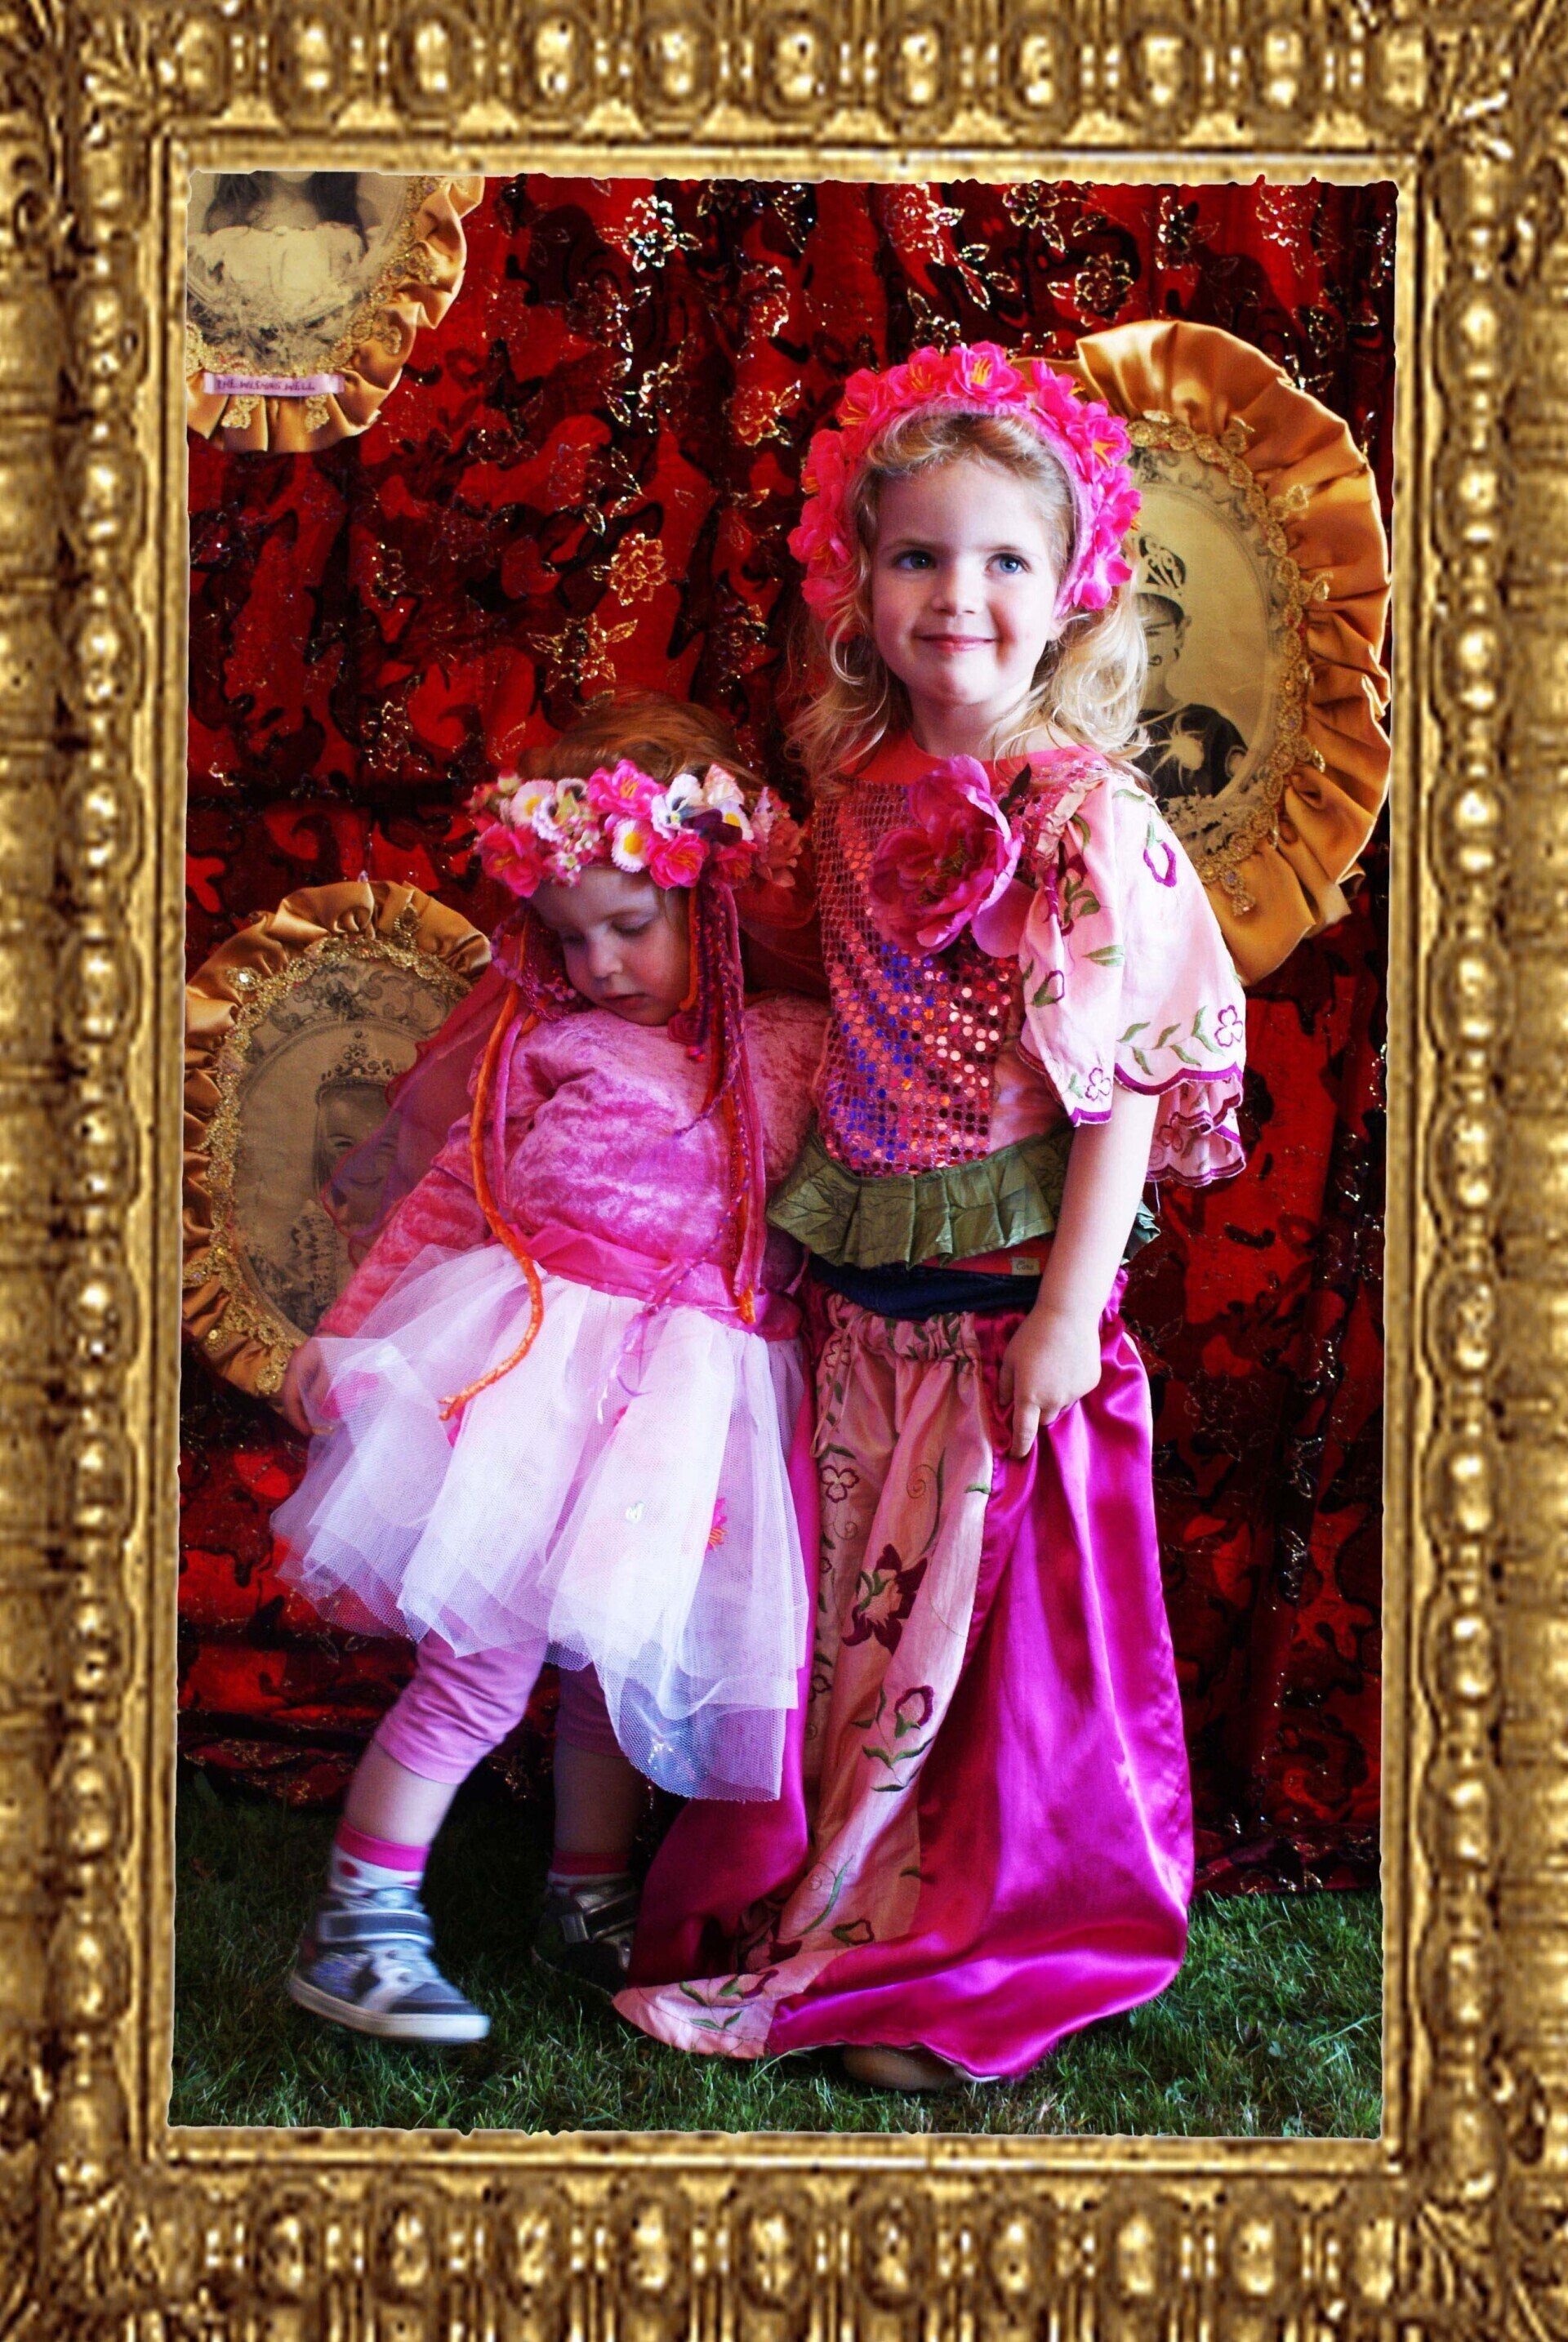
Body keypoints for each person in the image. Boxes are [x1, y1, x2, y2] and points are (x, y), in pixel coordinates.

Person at [616, 343, 1249, 2090]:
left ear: (1072, 591)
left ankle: (956, 1941)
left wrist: (1066, 1316)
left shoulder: (1081, 814)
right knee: (855, 1608)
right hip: (859, 1276)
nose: (956, 595)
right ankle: (837, 1888)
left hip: (1002, 1292)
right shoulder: (849, 788)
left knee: (976, 1636)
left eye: (1001, 560)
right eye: (917, 556)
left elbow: (1120, 1086)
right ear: (858, 582)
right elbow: (824, 980)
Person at [270, 699, 825, 2045]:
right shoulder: (556, 1041)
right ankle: (358, 1922)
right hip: (533, 1385)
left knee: (609, 1666)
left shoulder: (795, 1045)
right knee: (481, 1668)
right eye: (572, 937)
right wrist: (355, 1327)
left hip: (688, 1413)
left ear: (714, 896)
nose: (601, 962)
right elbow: (456, 1197)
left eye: (630, 924)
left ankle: (586, 1895)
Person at [1133, 534, 1248, 804]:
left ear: (1180, 633)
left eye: (1152, 633)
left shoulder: (1211, 732)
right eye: (1126, 633)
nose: (1139, 649)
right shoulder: (1085, 732)